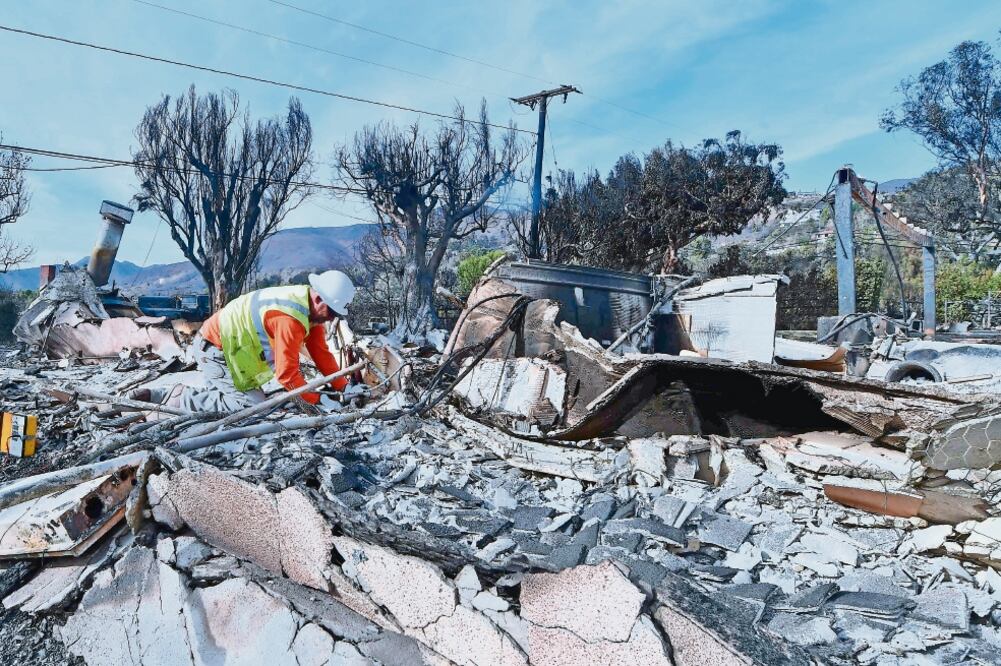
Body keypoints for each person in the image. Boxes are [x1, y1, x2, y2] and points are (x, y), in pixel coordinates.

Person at [155, 271, 356, 413]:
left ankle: (197, 399)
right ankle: (179, 397)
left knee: (226, 402)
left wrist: (344, 387)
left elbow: (321, 352)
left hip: (226, 351)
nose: (332, 318)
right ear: (320, 299)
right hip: (215, 351)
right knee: (252, 409)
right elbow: (286, 374)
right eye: (332, 312)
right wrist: (317, 400)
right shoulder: (290, 318)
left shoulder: (307, 309)